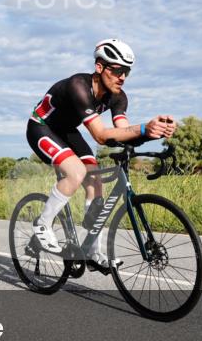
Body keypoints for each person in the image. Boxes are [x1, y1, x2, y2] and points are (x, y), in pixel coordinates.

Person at [26, 39, 176, 269]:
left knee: (95, 182)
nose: (122, 77)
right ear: (99, 67)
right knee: (76, 173)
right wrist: (143, 128)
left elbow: (123, 133)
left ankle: (91, 251)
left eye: (126, 72)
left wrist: (152, 133)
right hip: (42, 127)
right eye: (117, 70)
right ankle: (42, 224)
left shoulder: (119, 97)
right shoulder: (78, 85)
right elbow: (101, 135)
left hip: (67, 131)